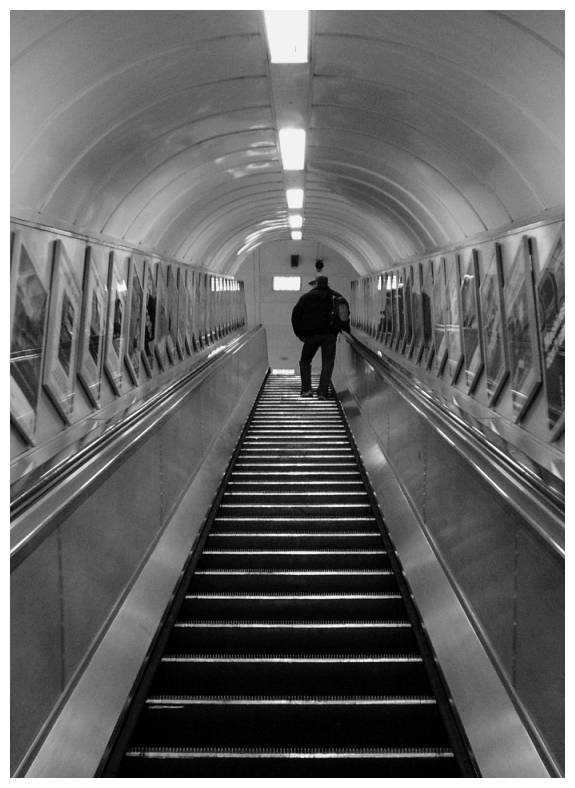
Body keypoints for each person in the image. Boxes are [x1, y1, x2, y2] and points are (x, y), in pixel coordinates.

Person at [291, 275, 350, 399]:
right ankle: (322, 393)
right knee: (327, 363)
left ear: (316, 284)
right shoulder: (336, 296)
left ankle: (306, 390)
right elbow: (344, 315)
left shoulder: (306, 297)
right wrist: (345, 330)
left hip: (311, 336)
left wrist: (301, 335)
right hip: (330, 335)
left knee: (305, 362)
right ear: (327, 284)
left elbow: (295, 316)